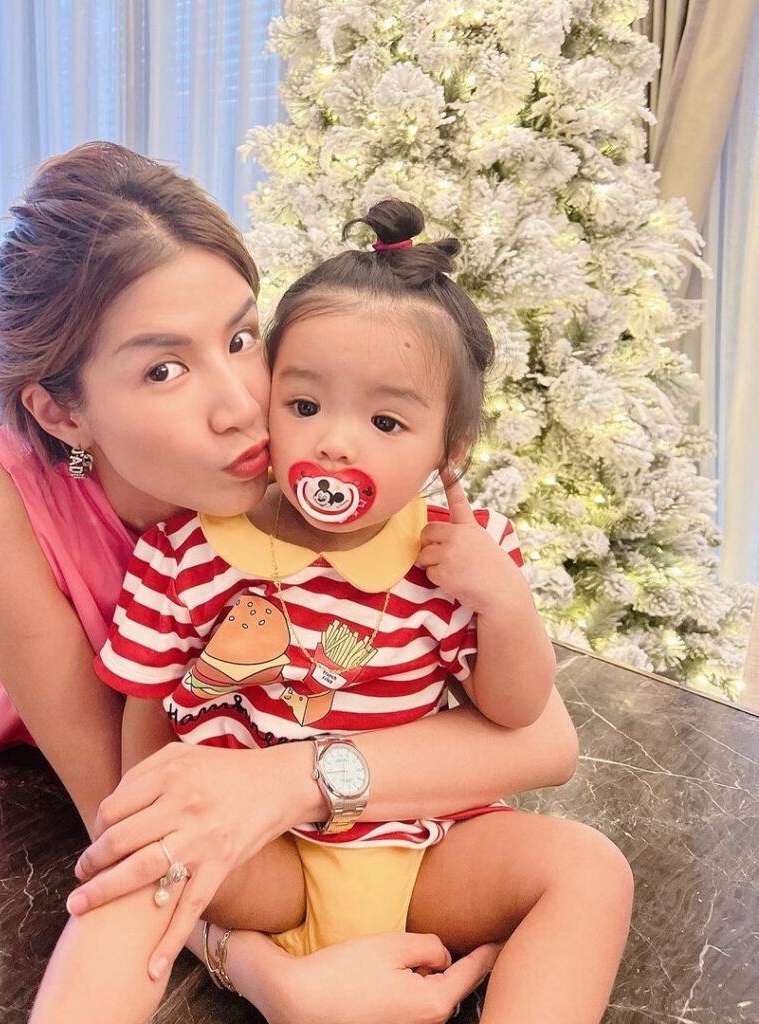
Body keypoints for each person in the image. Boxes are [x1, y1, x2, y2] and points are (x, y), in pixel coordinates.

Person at [0, 141, 584, 1024]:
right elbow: (124, 817)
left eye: (242, 338)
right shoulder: (2, 509)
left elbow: (540, 740)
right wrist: (261, 973)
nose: (244, 405)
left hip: (337, 797)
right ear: (62, 412)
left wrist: (290, 780)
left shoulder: (313, 450)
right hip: (97, 796)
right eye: (164, 368)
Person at [75, 199, 633, 1023]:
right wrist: (159, 824)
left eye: (385, 421)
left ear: (449, 450)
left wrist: (504, 602)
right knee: (136, 866)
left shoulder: (460, 557)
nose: (335, 442)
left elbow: (517, 712)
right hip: (267, 863)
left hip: (430, 850)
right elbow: (146, 730)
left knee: (590, 869)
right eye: (304, 407)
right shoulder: (185, 554)